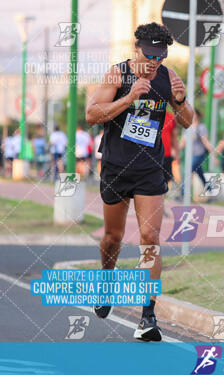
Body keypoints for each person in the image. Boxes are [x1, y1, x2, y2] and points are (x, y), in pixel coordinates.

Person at [85, 22, 193, 341]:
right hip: (116, 165)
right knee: (113, 237)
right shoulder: (117, 75)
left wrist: (182, 99)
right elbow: (92, 114)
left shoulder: (168, 77)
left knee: (150, 235)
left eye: (160, 56)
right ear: (137, 48)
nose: (154, 62)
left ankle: (147, 316)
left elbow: (187, 122)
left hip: (149, 167)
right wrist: (128, 98)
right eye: (149, 55)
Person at [179, 109, 213, 200]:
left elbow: (205, 141)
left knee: (187, 172)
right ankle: (210, 191)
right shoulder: (186, 127)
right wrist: (175, 151)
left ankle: (183, 195)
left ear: (197, 116)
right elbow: (182, 143)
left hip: (199, 154)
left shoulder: (201, 127)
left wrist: (213, 153)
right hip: (190, 156)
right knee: (200, 174)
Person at [161, 109, 178, 186]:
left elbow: (174, 138)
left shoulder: (171, 117)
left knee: (166, 180)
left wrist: (177, 154)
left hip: (166, 155)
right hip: (150, 155)